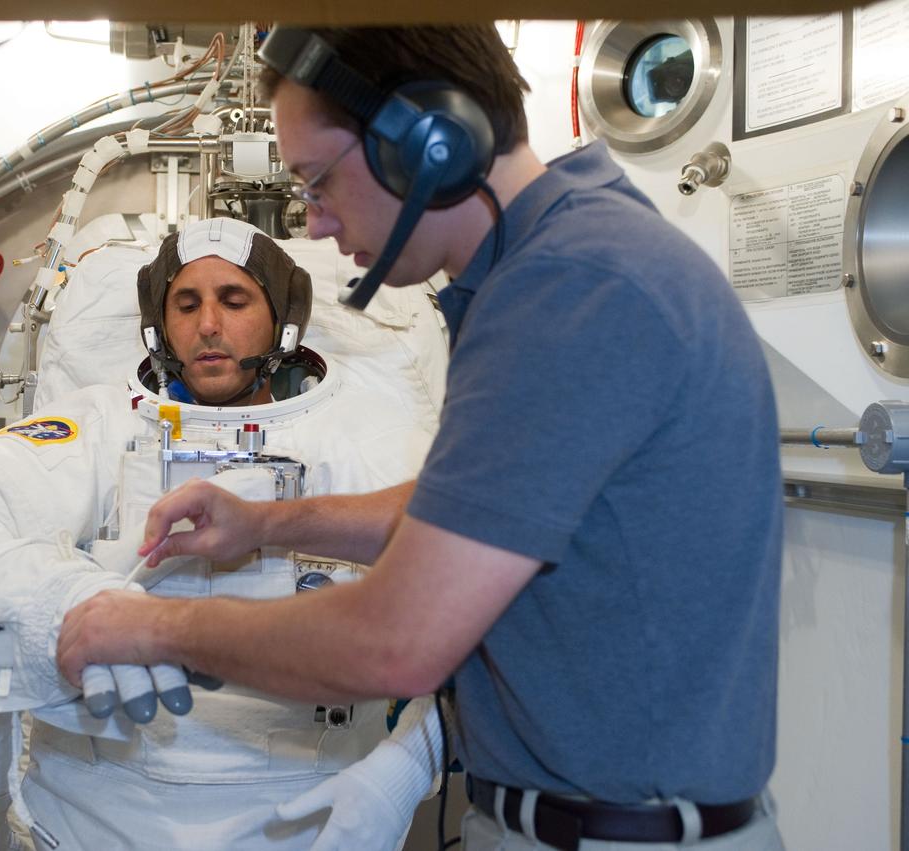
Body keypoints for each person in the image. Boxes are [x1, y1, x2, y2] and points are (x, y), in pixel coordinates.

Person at [56, 25, 785, 851]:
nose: (319, 223)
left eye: (318, 182)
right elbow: (484, 509)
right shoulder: (565, 260)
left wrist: (148, 626)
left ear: (429, 144)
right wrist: (267, 524)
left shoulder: (570, 290)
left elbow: (393, 641)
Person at [0, 216, 446, 850]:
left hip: (318, 811)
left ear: (283, 320)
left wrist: (405, 768)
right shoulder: (101, 424)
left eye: (234, 300)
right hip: (97, 818)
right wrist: (57, 605)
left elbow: (486, 582)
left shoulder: (369, 436)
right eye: (186, 304)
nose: (208, 325)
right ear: (159, 326)